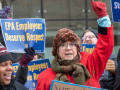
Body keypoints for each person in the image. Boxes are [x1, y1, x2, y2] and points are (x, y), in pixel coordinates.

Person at [36, 0, 114, 90]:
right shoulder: (45, 76)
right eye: (63, 45)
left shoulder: (90, 64)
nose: (68, 48)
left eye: (72, 44)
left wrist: (103, 18)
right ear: (56, 51)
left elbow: (105, 46)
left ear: (77, 48)